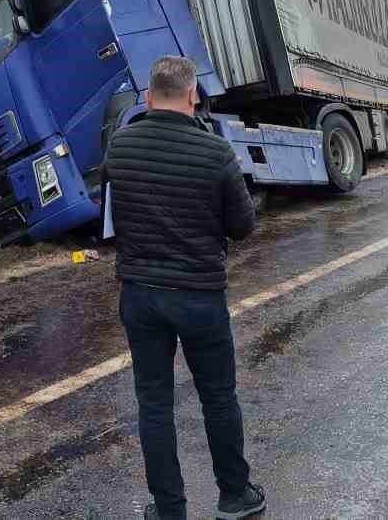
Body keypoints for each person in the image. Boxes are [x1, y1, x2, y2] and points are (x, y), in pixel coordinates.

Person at [104, 55, 266, 520]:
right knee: (217, 395)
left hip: (139, 294)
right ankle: (235, 496)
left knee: (153, 401)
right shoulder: (215, 152)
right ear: (193, 96)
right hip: (199, 294)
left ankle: (170, 509)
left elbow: (114, 216)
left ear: (149, 96)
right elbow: (242, 228)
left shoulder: (120, 146)